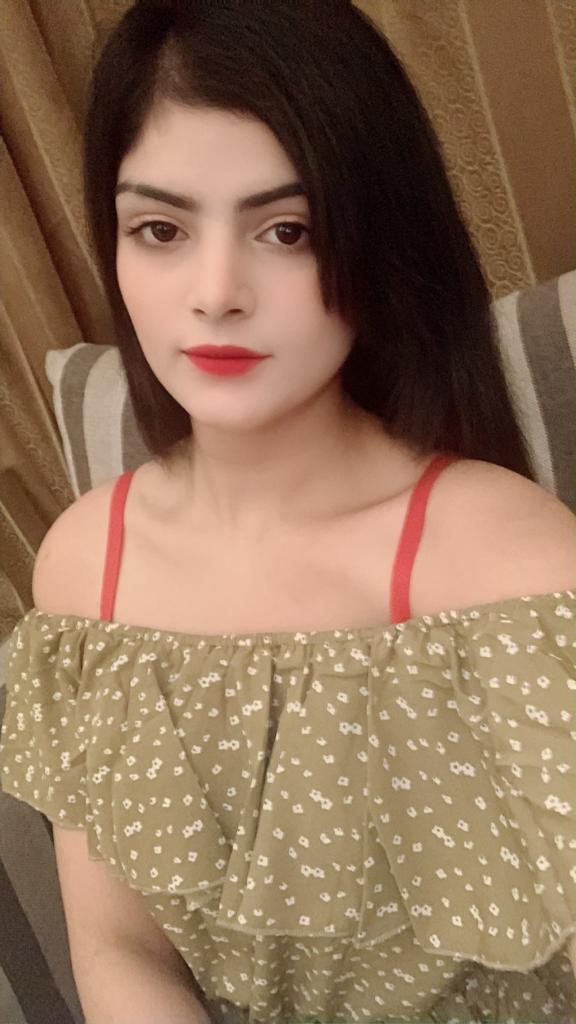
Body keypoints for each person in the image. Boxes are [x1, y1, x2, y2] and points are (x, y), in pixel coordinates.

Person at [1, 1, 575, 1021]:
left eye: (287, 230)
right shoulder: (86, 566)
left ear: (377, 240)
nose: (216, 292)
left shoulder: (517, 567)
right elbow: (122, 948)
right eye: (161, 229)